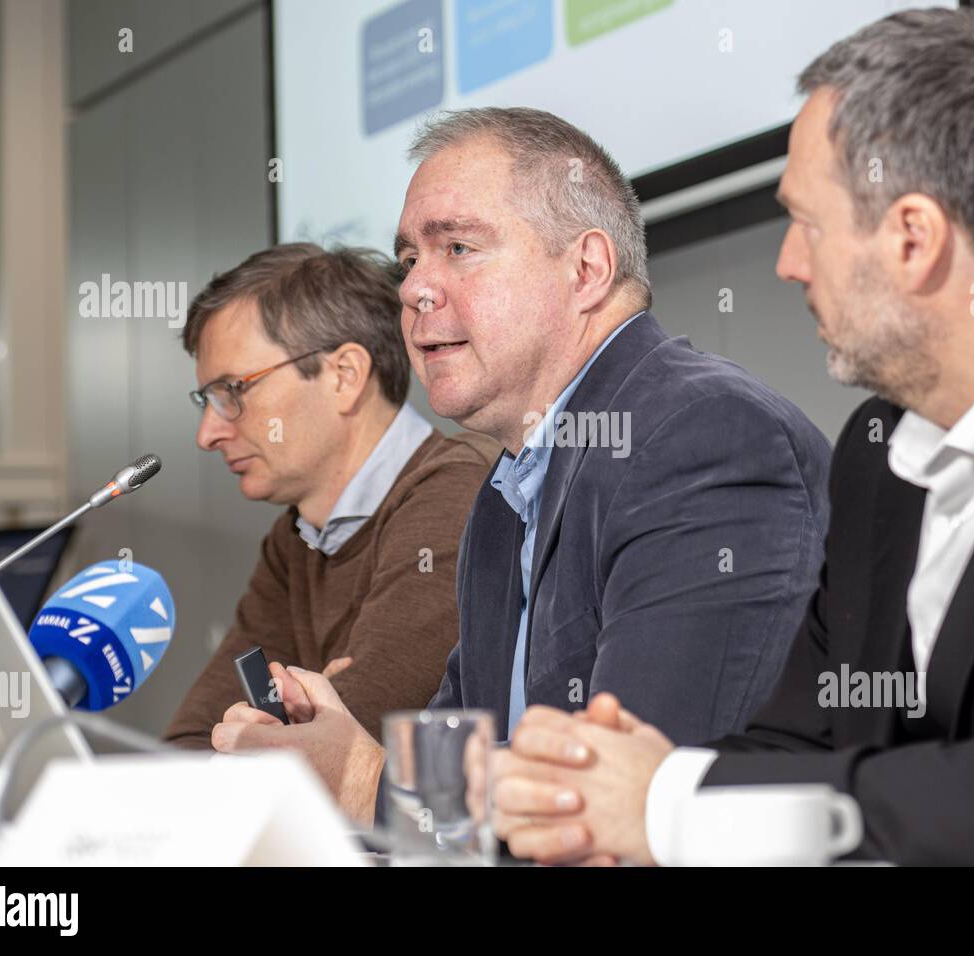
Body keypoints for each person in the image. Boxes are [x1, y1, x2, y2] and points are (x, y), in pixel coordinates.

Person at [492, 7, 974, 866]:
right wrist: (607, 786)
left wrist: (672, 804)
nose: (788, 264)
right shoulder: (878, 446)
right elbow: (800, 741)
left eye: (805, 222)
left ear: (913, 239)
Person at [209, 108, 832, 827]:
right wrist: (337, 741)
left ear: (587, 269)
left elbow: (621, 799)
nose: (413, 290)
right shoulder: (508, 493)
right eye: (410, 260)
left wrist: (361, 777)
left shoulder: (703, 436)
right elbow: (466, 746)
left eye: (459, 248)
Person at [164, 244, 497, 745]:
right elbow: (186, 744)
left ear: (344, 376)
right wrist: (297, 731)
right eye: (207, 401)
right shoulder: (294, 541)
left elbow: (351, 751)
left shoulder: (456, 494)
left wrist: (282, 735)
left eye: (232, 390)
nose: (207, 433)